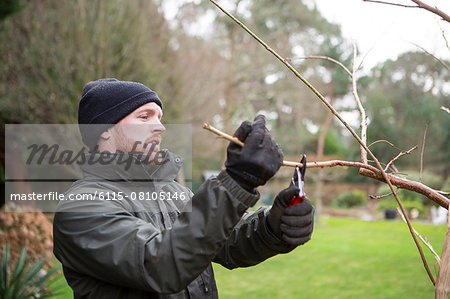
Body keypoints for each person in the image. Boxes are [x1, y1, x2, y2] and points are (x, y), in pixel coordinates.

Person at [53, 78, 314, 299]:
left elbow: (227, 242)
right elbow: (161, 264)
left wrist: (272, 224)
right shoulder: (80, 207)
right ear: (104, 131)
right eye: (144, 117)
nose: (160, 126)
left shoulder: (173, 193)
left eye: (159, 117)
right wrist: (238, 181)